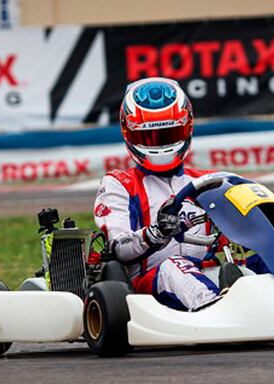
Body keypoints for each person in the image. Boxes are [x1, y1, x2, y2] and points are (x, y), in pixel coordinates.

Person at [93, 77, 224, 311]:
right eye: (148, 137)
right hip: (152, 282)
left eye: (169, 134)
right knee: (175, 266)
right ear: (129, 133)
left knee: (260, 263)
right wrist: (156, 233)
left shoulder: (209, 180)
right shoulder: (119, 184)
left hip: (210, 272)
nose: (160, 145)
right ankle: (217, 312)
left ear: (187, 127)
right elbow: (120, 248)